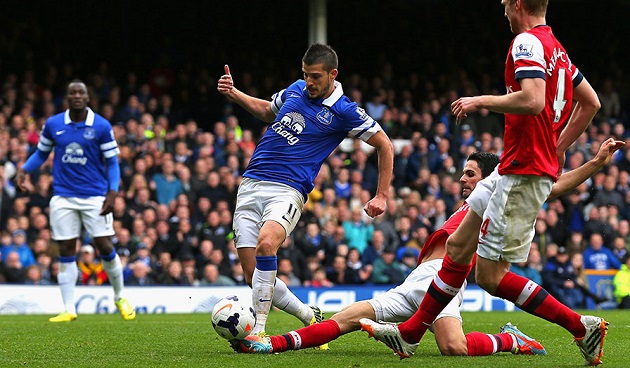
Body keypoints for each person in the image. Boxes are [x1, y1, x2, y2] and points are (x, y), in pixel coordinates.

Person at [361, 1, 611, 365]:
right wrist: (556, 147)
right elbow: (591, 103)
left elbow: (533, 99)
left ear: (520, 4)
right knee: (459, 245)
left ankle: (580, 326)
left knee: (491, 277)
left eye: (507, 2)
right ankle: (409, 334)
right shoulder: (557, 50)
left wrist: (480, 101)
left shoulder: (526, 42)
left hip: (523, 170)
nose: (503, 8)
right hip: (512, 167)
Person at [237, 139, 621, 356]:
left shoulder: (499, 196)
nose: (462, 178)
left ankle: (511, 339)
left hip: (445, 285)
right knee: (345, 318)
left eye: (470, 173)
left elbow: (551, 187)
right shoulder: (468, 208)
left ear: (489, 178)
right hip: (415, 282)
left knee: (453, 348)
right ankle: (270, 345)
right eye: (464, 172)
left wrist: (594, 164)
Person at [217, 43, 394, 344]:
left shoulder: (344, 110)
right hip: (250, 184)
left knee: (266, 245)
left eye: (315, 76)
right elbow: (266, 111)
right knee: (253, 276)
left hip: (288, 189)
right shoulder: (296, 89)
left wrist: (382, 195)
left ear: (332, 74)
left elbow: (385, 145)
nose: (309, 82)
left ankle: (259, 331)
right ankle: (308, 317)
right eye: (305, 75)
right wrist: (235, 93)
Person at [15, 80, 136, 322]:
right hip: (63, 196)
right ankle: (69, 308)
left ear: (88, 97)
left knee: (104, 246)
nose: (77, 96)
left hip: (95, 196)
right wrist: (24, 169)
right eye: (73, 93)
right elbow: (41, 153)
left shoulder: (101, 125)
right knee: (66, 250)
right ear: (67, 98)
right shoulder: (54, 124)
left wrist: (112, 192)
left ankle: (119, 296)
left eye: (81, 92)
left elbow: (112, 162)